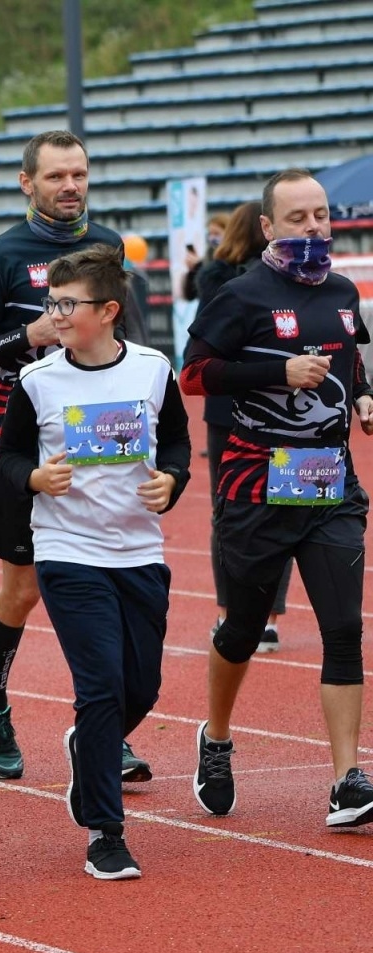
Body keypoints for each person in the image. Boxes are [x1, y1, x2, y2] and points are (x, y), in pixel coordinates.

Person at [0, 129, 151, 783]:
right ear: (27, 183)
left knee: (105, 582)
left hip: (96, 443)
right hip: (22, 438)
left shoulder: (110, 248)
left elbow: (126, 334)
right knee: (24, 588)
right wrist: (28, 334)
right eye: (56, 176)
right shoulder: (0, 257)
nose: (70, 186)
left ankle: (104, 726)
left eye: (79, 174)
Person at [0, 245, 191, 881]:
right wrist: (35, 478)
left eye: (67, 304)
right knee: (100, 686)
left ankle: (90, 745)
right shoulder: (37, 380)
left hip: (139, 552)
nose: (55, 315)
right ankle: (106, 832)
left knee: (142, 687)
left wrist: (174, 479)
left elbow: (180, 441)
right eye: (51, 303)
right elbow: (8, 458)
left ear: (108, 311)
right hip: (68, 552)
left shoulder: (154, 370)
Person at [181, 169, 373, 827]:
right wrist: (276, 371)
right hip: (256, 487)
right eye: (298, 218)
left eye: (320, 215)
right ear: (269, 227)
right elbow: (193, 376)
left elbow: (355, 360)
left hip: (330, 483)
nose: (314, 227)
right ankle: (217, 736)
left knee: (344, 629)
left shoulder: (345, 292)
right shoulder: (241, 296)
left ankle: (348, 779)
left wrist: (366, 396)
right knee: (242, 628)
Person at [194, 203, 292, 650]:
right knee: (280, 507)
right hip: (273, 406)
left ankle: (234, 612)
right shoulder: (243, 281)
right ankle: (260, 616)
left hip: (232, 408)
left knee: (233, 510)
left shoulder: (217, 278)